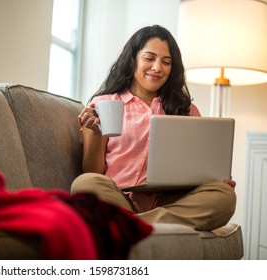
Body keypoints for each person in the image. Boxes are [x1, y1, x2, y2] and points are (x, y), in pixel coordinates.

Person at [72, 25, 236, 231]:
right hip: (118, 198)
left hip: (170, 200)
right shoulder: (102, 104)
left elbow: (199, 167)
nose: (158, 67)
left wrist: (216, 179)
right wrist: (94, 132)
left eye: (166, 62)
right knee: (86, 183)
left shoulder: (186, 110)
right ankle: (151, 225)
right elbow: (93, 171)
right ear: (133, 60)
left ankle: (131, 226)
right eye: (149, 58)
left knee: (225, 195)